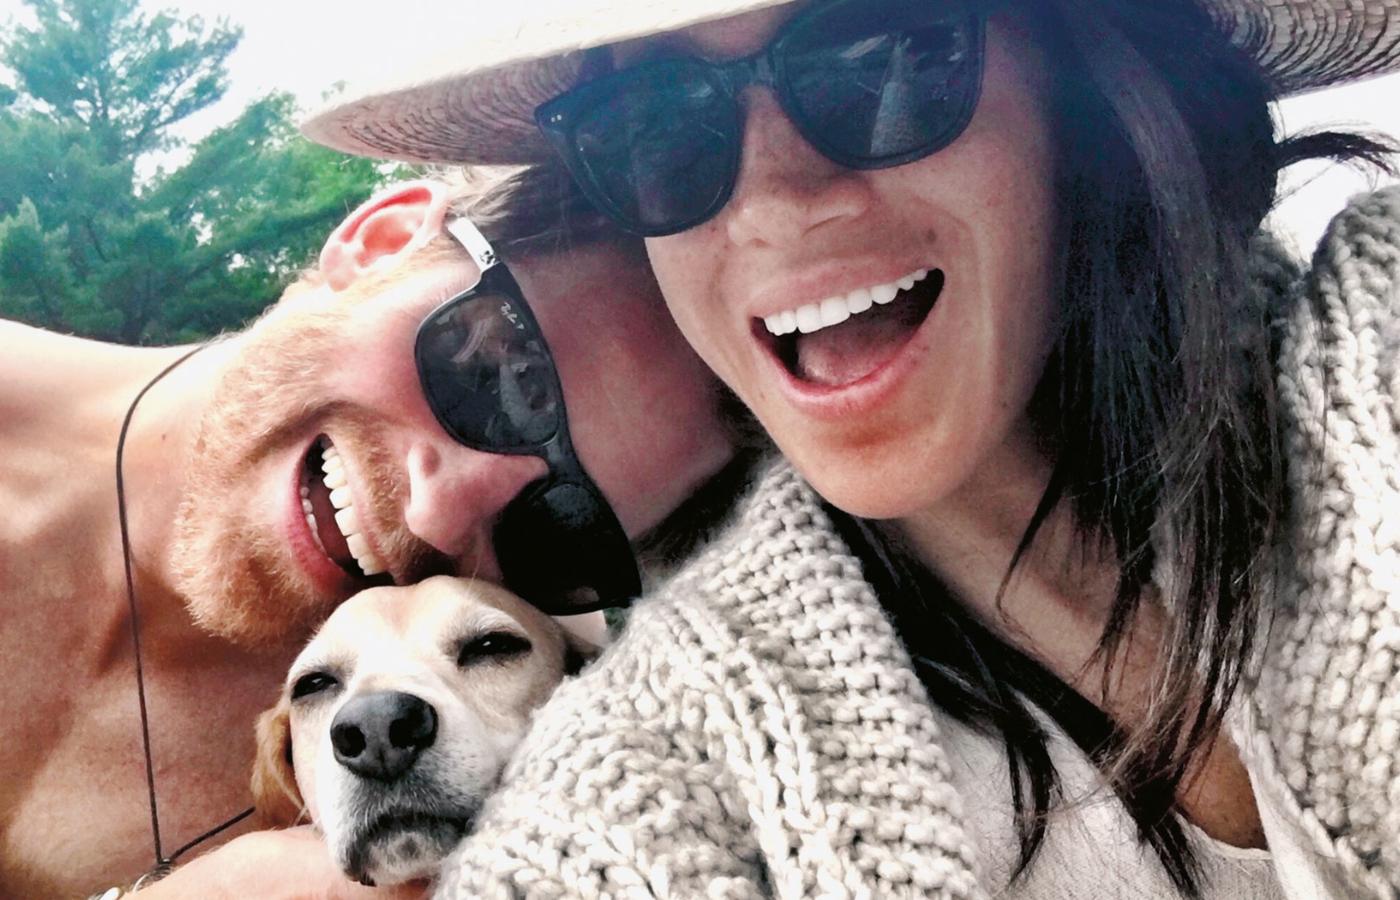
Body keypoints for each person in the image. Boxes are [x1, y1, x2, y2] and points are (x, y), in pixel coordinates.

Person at [301, 0, 1400, 897]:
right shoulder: (668, 769)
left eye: (885, 57)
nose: (772, 202)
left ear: (1077, 76)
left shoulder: (1374, 332)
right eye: (656, 130)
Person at [0, 170, 736, 899]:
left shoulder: (557, 696)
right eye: (494, 380)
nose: (435, 512)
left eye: (562, 524)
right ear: (380, 239)